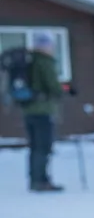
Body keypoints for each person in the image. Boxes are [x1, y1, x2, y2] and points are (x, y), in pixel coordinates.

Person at [18, 32, 64, 192]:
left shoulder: (30, 61)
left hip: (28, 110)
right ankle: (41, 181)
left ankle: (34, 179)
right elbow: (53, 86)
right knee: (43, 146)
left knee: (34, 146)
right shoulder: (44, 62)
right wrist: (62, 90)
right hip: (43, 110)